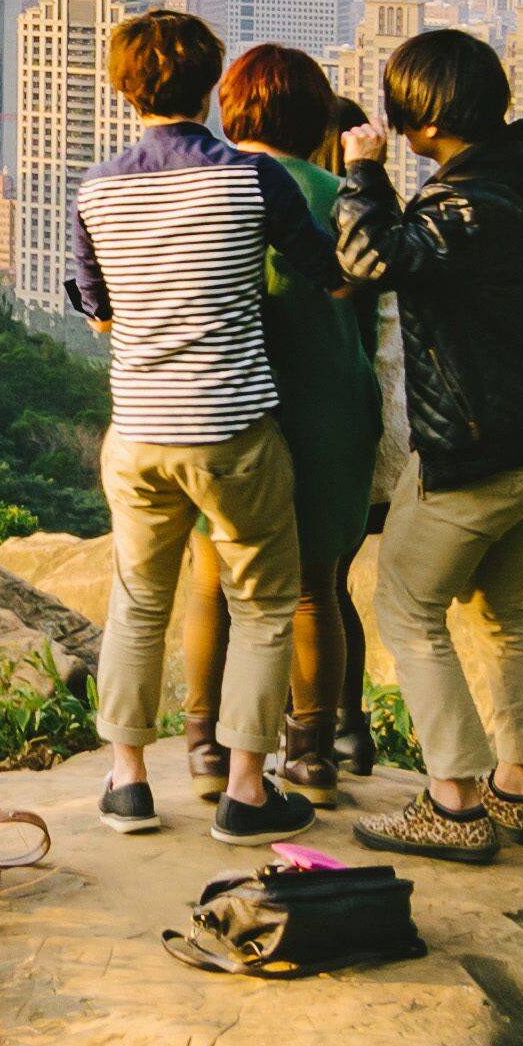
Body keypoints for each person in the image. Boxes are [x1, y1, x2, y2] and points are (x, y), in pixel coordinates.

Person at [330, 27, 523, 866]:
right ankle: (520, 788)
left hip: (480, 451)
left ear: (428, 121)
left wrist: (363, 172)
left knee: (407, 607)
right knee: (496, 610)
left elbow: (370, 258)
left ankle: (453, 801)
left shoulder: (464, 207)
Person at [66, 9, 322, 846]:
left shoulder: (97, 190)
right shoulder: (252, 180)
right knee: (265, 604)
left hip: (139, 430)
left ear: (124, 89)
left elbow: (98, 311)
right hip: (233, 429)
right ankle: (245, 792)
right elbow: (323, 271)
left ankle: (128, 782)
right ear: (211, 85)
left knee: (139, 600)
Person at [183, 44, 382, 803]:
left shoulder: (215, 186)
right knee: (313, 589)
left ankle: (205, 747)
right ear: (317, 118)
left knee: (213, 578)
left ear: (231, 109)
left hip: (235, 406)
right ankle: (312, 757)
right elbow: (368, 314)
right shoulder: (343, 196)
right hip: (333, 406)